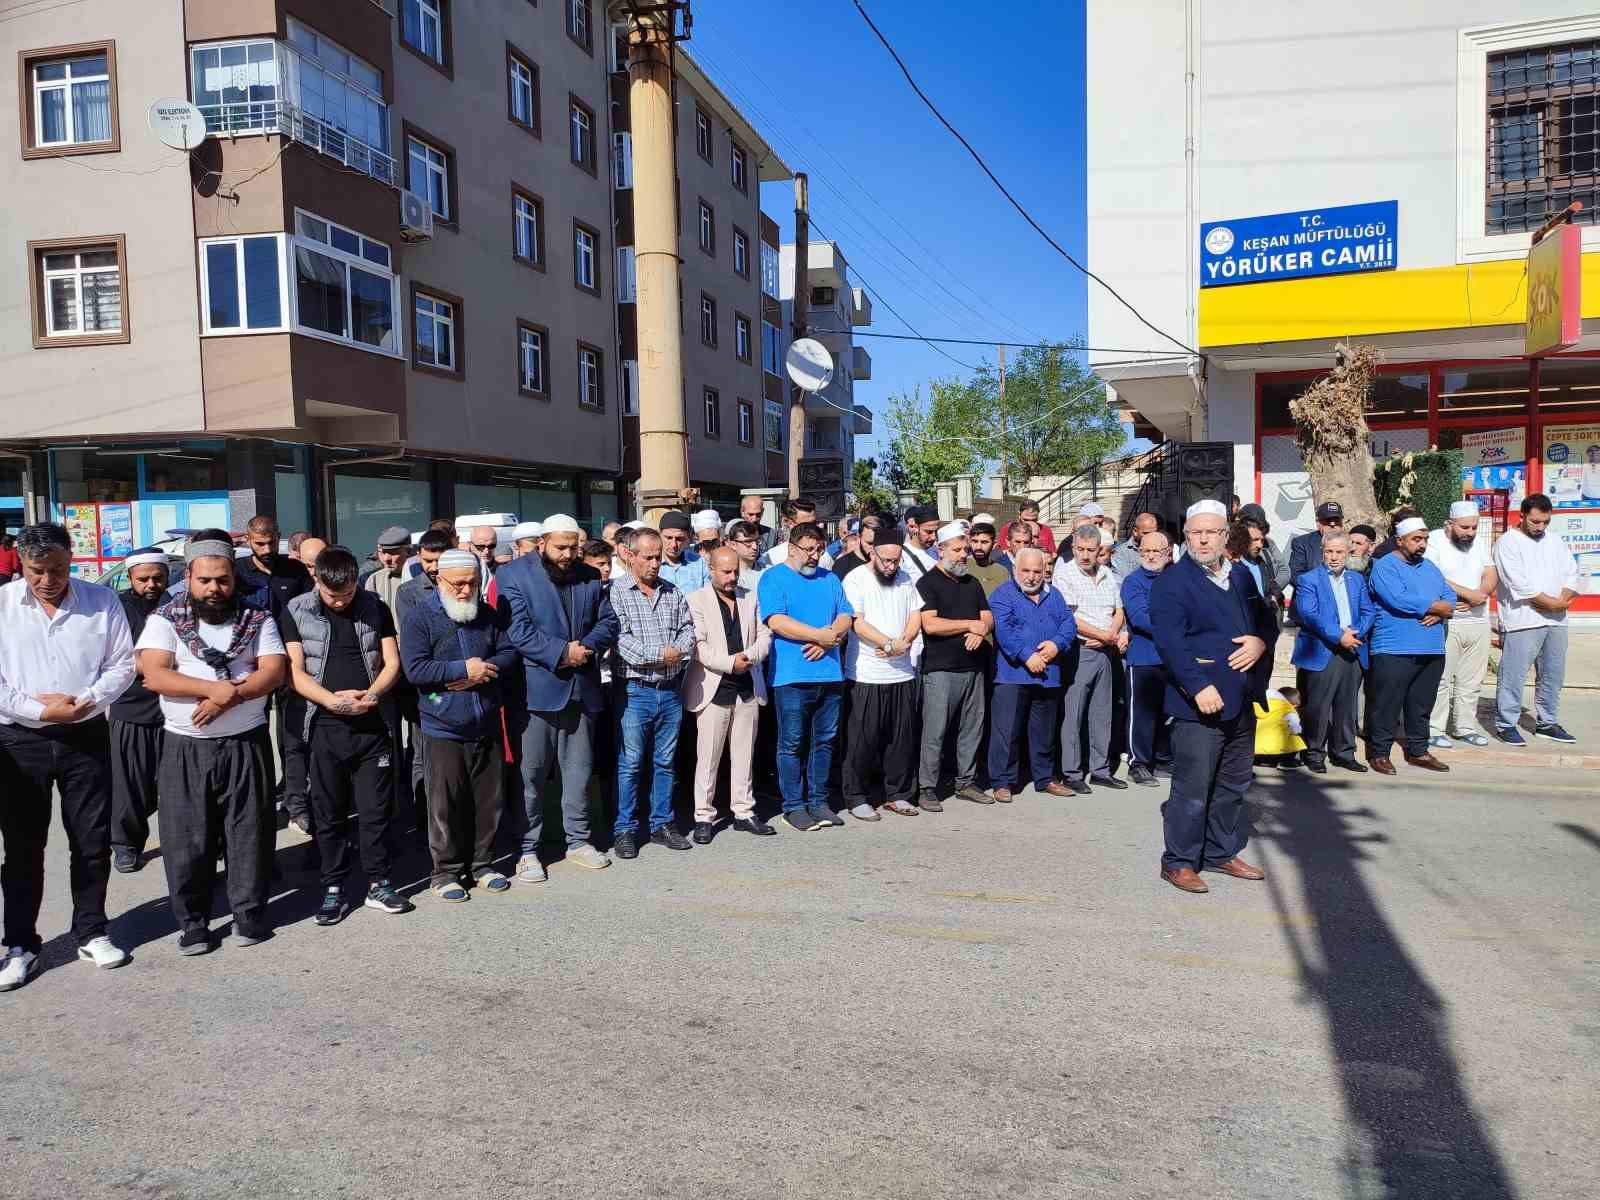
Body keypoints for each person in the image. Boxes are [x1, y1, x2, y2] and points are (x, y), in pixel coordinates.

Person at [0, 523, 135, 988]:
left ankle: (92, 931)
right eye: (38, 570)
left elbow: (123, 663)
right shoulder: (1, 606)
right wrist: (42, 710)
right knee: (22, 848)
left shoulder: (102, 602)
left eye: (58, 568)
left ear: (71, 560)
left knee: (91, 841)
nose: (48, 580)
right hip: (20, 741)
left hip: (86, 736)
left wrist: (83, 703)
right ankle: (20, 945)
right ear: (21, 562)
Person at [136, 531, 284, 955]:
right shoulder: (165, 620)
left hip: (245, 744)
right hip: (186, 746)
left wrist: (229, 696)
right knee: (187, 839)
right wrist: (214, 688)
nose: (214, 589)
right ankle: (194, 923)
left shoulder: (258, 619)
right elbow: (155, 675)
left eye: (222, 580)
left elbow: (272, 672)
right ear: (190, 579)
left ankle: (249, 914)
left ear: (233, 578)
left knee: (250, 833)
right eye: (205, 581)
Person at [1149, 500, 1276, 894]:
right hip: (1200, 703)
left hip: (1242, 699)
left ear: (1225, 536)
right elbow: (1170, 644)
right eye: (1194, 533)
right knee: (1192, 787)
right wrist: (1197, 686)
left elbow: (1267, 622)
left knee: (1233, 784)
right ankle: (1180, 861)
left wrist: (1259, 642)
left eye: (1211, 532)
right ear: (1185, 537)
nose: (1202, 539)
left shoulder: (1240, 576)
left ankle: (1220, 852)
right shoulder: (1172, 583)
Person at [281, 546, 412, 924]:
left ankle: (378, 882)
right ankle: (334, 886)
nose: (340, 602)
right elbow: (295, 673)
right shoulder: (296, 610)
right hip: (324, 726)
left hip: (372, 726)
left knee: (374, 811)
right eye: (331, 595)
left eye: (348, 594)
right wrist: (334, 703)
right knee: (330, 813)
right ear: (316, 580)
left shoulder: (375, 607)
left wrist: (371, 696)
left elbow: (391, 662)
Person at [498, 514, 618, 880]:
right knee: (530, 775)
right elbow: (517, 631)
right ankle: (527, 848)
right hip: (536, 690)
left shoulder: (587, 575)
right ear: (541, 544)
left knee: (579, 771)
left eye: (573, 547)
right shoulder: (514, 576)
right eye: (560, 547)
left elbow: (608, 621)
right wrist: (562, 653)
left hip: (581, 688)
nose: (568, 554)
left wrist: (585, 648)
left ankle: (578, 840)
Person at [400, 550, 519, 902]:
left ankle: (483, 864)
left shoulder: (487, 615)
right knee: (445, 804)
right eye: (459, 583)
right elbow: (416, 669)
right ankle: (446, 872)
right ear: (439, 580)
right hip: (442, 725)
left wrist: (483, 669)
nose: (467, 590)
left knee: (488, 800)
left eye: (473, 583)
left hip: (485, 720)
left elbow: (509, 653)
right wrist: (461, 670)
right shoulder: (420, 618)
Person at [759, 522, 853, 832]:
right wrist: (822, 637)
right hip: (791, 677)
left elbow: (845, 615)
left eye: (819, 549)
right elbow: (777, 620)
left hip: (829, 674)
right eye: (808, 550)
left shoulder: (830, 578)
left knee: (824, 742)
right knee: (792, 743)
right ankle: (793, 806)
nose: (814, 556)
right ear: (791, 548)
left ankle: (819, 801)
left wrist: (829, 636)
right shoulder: (773, 578)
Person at [610, 528, 697, 857]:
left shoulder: (672, 592)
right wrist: (662, 654)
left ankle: (662, 823)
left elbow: (688, 630)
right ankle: (625, 829)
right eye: (648, 557)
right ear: (630, 555)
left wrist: (677, 650)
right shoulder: (617, 592)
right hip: (636, 691)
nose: (655, 563)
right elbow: (621, 641)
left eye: (658, 557)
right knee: (631, 763)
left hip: (670, 690)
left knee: (665, 761)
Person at [683, 547, 773, 839]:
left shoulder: (750, 596)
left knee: (744, 754)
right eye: (726, 571)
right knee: (707, 757)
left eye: (736, 570)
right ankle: (703, 816)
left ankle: (744, 811)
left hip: (748, 686)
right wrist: (730, 663)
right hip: (714, 688)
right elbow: (697, 645)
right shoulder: (696, 600)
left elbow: (764, 635)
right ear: (711, 569)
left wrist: (750, 656)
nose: (733, 576)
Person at [838, 528, 924, 819]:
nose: (890, 566)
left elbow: (916, 615)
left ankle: (898, 794)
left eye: (895, 561)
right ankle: (856, 796)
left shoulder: (906, 579)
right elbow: (857, 623)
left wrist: (903, 643)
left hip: (902, 673)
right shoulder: (856, 579)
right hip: (866, 672)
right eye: (885, 560)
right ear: (873, 553)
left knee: (900, 739)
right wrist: (887, 643)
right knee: (862, 740)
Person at [1365, 516, 1456, 774]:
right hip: (1394, 648)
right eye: (1417, 539)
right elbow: (1397, 599)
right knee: (1387, 704)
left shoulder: (1430, 568)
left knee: (1421, 704)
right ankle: (1379, 753)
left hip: (1431, 648)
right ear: (1400, 540)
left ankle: (1419, 751)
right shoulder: (1385, 567)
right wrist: (1434, 605)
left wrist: (1440, 611)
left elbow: (1449, 597)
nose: (1423, 544)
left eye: (1425, 539)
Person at [915, 523, 994, 810]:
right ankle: (927, 787)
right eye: (958, 550)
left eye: (966, 550)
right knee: (935, 732)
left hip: (973, 668)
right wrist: (969, 625)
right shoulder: (928, 583)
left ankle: (966, 781)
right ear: (942, 549)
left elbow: (987, 618)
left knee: (971, 729)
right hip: (941, 670)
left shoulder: (972, 583)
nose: (964, 555)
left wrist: (978, 630)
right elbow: (930, 624)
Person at [987, 546, 1076, 802]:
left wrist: (1056, 644)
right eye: (1025, 570)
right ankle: (1003, 781)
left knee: (1044, 731)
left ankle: (1045, 777)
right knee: (1007, 730)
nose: (1031, 577)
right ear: (1016, 569)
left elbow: (1068, 623)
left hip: (1048, 673)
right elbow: (1004, 630)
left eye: (1037, 571)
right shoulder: (1002, 594)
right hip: (1013, 674)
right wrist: (1028, 656)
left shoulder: (1054, 594)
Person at [1492, 493, 1580, 745]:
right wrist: (1554, 604)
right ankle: (1505, 723)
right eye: (1535, 522)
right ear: (1522, 516)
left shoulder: (1555, 541)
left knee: (1553, 675)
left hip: (1556, 621)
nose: (1540, 527)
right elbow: (1519, 585)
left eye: (1545, 522)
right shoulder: (1507, 543)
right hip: (1522, 620)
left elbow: (1571, 573)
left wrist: (1562, 600)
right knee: (1513, 674)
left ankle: (1547, 722)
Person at [1291, 531, 1375, 775]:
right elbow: (1310, 614)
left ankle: (1344, 753)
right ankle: (1314, 752)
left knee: (1347, 706)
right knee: (1318, 705)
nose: (1334, 557)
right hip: (1323, 649)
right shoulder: (1309, 580)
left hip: (1353, 648)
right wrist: (1340, 636)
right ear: (1322, 552)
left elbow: (1368, 610)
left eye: (1340, 552)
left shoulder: (1356, 580)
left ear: (1349, 552)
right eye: (1329, 551)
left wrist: (1355, 633)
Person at [1054, 523, 1128, 793]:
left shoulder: (1107, 573)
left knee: (1102, 713)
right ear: (1073, 548)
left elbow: (1119, 610)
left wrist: (1112, 634)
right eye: (1080, 549)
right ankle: (1071, 772)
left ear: (1100, 550)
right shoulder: (1065, 575)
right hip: (1081, 651)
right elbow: (1070, 618)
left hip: (1105, 652)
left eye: (1091, 550)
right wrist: (1105, 635)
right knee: (1073, 714)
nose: (1085, 555)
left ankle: (1100, 769)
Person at [109, 548, 170, 873]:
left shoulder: (177, 606)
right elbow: (112, 655)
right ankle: (126, 844)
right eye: (143, 579)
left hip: (174, 711)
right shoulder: (116, 608)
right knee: (130, 785)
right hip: (131, 709)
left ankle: (187, 845)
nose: (151, 585)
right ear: (130, 578)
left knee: (177, 788)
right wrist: (153, 666)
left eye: (157, 578)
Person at [1424, 501, 1497, 749]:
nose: (1470, 532)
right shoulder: (1433, 540)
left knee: (1471, 680)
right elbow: (1434, 576)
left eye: (1474, 527)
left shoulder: (1478, 543)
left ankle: (1465, 727)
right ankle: (1434, 729)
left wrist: (1481, 594)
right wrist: (1468, 594)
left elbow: (1490, 573)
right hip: (1449, 621)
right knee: (1441, 679)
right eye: (1464, 527)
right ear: (1450, 524)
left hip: (1478, 619)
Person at [1119, 529, 1173, 787]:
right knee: (1141, 715)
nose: (1151, 556)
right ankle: (1137, 763)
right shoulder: (1133, 581)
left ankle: (1162, 759)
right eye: (1146, 551)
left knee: (1168, 711)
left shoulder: (1176, 579)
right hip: (1143, 657)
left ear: (1168, 553)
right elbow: (1140, 617)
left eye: (1156, 551)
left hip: (1172, 659)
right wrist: (1175, 628)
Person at [1236, 503, 1290, 599]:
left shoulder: (1269, 543)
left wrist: (1272, 591)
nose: (1259, 545)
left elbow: (1285, 570)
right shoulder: (1232, 549)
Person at [763, 499, 834, 570]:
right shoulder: (772, 558)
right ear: (789, 523)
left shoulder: (824, 557)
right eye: (805, 525)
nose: (812, 528)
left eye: (814, 523)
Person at [1289, 501, 1344, 581]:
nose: (1332, 524)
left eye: (1336, 520)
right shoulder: (1302, 543)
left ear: (1342, 523)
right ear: (1318, 524)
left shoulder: (1350, 542)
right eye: (1328, 520)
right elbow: (1295, 575)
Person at [1253, 685, 1306, 767]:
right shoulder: (1288, 710)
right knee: (1295, 739)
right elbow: (1295, 727)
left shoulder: (1263, 705)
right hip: (1276, 747)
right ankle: (1287, 761)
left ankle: (1262, 760)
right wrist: (1299, 731)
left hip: (1257, 745)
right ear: (1293, 704)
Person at [658, 512, 710, 593]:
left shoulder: (700, 564)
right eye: (668, 538)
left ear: (688, 538)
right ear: (659, 535)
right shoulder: (650, 563)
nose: (673, 545)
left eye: (679, 539)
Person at [363, 526, 411, 610]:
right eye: (382, 553)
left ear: (408, 551)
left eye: (393, 553)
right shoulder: (375, 580)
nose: (386, 559)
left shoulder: (421, 577)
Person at [830, 514, 883, 579]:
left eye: (878, 543)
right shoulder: (842, 565)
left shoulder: (884, 564)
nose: (874, 547)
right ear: (858, 538)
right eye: (869, 543)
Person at [966, 519, 1010, 596]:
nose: (978, 547)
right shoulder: (960, 568)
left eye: (984, 542)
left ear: (994, 545)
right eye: (975, 541)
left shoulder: (1002, 572)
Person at [1112, 512, 1160, 580]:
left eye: (1154, 533)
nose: (1151, 537)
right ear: (1135, 531)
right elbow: (1125, 581)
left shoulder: (1161, 549)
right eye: (1146, 533)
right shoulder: (1121, 553)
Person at [901, 505, 941, 576]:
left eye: (936, 531)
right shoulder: (902, 556)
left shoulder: (939, 552)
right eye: (929, 532)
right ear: (915, 527)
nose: (934, 537)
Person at [725, 519, 766, 590]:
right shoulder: (728, 576)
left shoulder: (768, 571)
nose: (755, 547)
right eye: (748, 542)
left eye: (757, 541)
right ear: (733, 544)